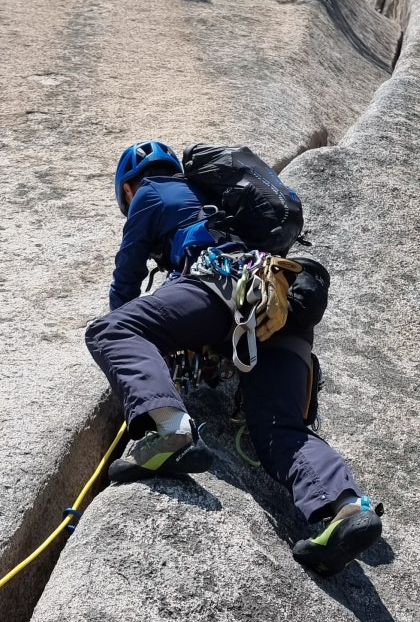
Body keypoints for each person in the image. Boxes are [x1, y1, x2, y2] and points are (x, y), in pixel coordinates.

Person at [85, 140, 383, 576]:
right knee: (280, 429)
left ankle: (171, 433)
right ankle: (345, 510)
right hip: (282, 304)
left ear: (127, 190)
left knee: (111, 330)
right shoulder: (223, 201)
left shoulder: (151, 193)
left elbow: (125, 283)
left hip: (226, 287)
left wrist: (142, 350)